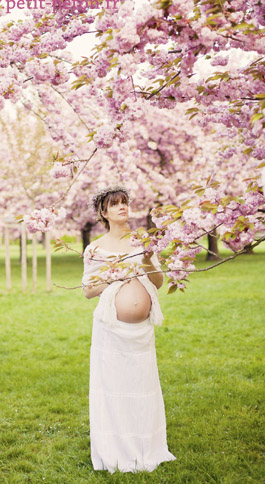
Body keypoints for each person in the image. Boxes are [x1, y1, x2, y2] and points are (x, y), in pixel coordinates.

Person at [82, 185, 175, 473]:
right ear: (104, 212)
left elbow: (158, 282)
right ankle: (116, 449)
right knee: (114, 387)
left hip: (141, 333)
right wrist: (114, 275)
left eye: (125, 202)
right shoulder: (95, 248)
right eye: (115, 204)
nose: (123, 207)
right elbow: (87, 290)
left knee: (141, 385)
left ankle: (145, 446)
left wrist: (147, 259)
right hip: (111, 331)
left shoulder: (142, 241)